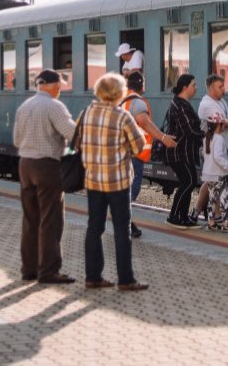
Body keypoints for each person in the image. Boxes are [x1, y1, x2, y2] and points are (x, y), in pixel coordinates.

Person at [82, 72, 148, 291]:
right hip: (118, 182)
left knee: (94, 228)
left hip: (93, 180)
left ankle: (93, 277)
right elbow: (139, 147)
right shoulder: (122, 116)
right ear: (119, 93)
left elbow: (78, 139)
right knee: (122, 231)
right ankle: (125, 279)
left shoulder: (87, 113)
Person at [12, 69, 77, 284]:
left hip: (25, 164)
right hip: (46, 165)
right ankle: (48, 271)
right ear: (52, 85)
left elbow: (16, 139)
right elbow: (72, 133)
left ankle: (28, 269)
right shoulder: (53, 106)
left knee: (30, 219)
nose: (60, 90)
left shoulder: (24, 106)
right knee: (51, 219)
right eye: (59, 86)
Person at [120, 71, 176, 238]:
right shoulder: (137, 102)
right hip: (133, 154)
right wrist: (163, 137)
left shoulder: (122, 99)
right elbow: (145, 123)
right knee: (132, 190)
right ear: (142, 85)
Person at [194, 73, 228, 220]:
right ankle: (218, 217)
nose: (223, 89)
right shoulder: (206, 105)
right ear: (211, 88)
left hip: (225, 147)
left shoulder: (221, 101)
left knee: (212, 181)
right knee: (218, 182)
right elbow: (223, 122)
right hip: (212, 149)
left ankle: (196, 212)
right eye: (220, 87)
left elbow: (227, 119)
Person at [164, 74, 203, 228]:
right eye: (194, 85)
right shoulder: (180, 105)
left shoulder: (180, 103)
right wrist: (205, 134)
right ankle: (174, 216)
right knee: (189, 181)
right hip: (179, 152)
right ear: (185, 87)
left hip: (183, 151)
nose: (196, 88)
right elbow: (188, 130)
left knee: (187, 181)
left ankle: (182, 217)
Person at [202, 113, 228, 231]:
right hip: (218, 174)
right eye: (223, 123)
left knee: (212, 197)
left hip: (208, 174)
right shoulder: (219, 139)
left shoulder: (207, 138)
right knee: (224, 197)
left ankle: (211, 222)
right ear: (219, 125)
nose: (224, 125)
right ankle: (225, 223)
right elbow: (218, 157)